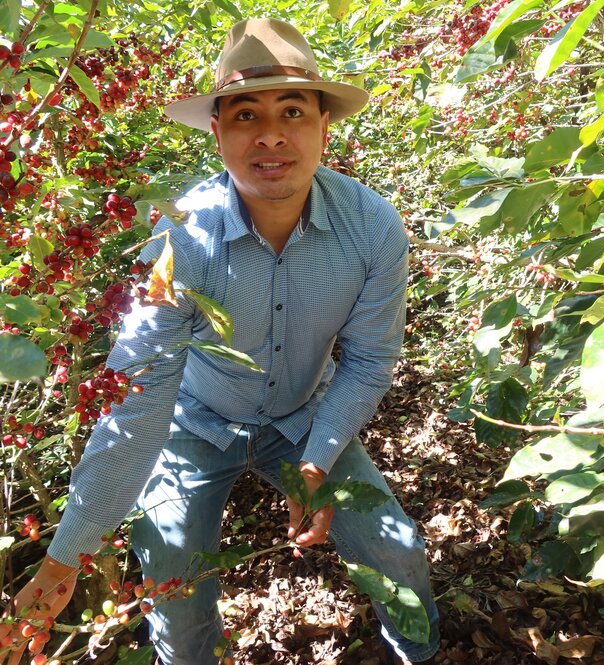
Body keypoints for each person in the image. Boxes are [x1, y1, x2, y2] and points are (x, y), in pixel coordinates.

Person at [0, 18, 440, 665]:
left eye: (292, 110)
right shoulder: (181, 241)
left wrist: (318, 457)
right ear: (216, 131)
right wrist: (65, 556)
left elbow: (370, 360)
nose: (270, 135)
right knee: (172, 592)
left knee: (394, 546)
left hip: (302, 415)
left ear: (324, 124)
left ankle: (421, 651)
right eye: (244, 115)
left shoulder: (371, 227)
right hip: (193, 422)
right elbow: (137, 395)